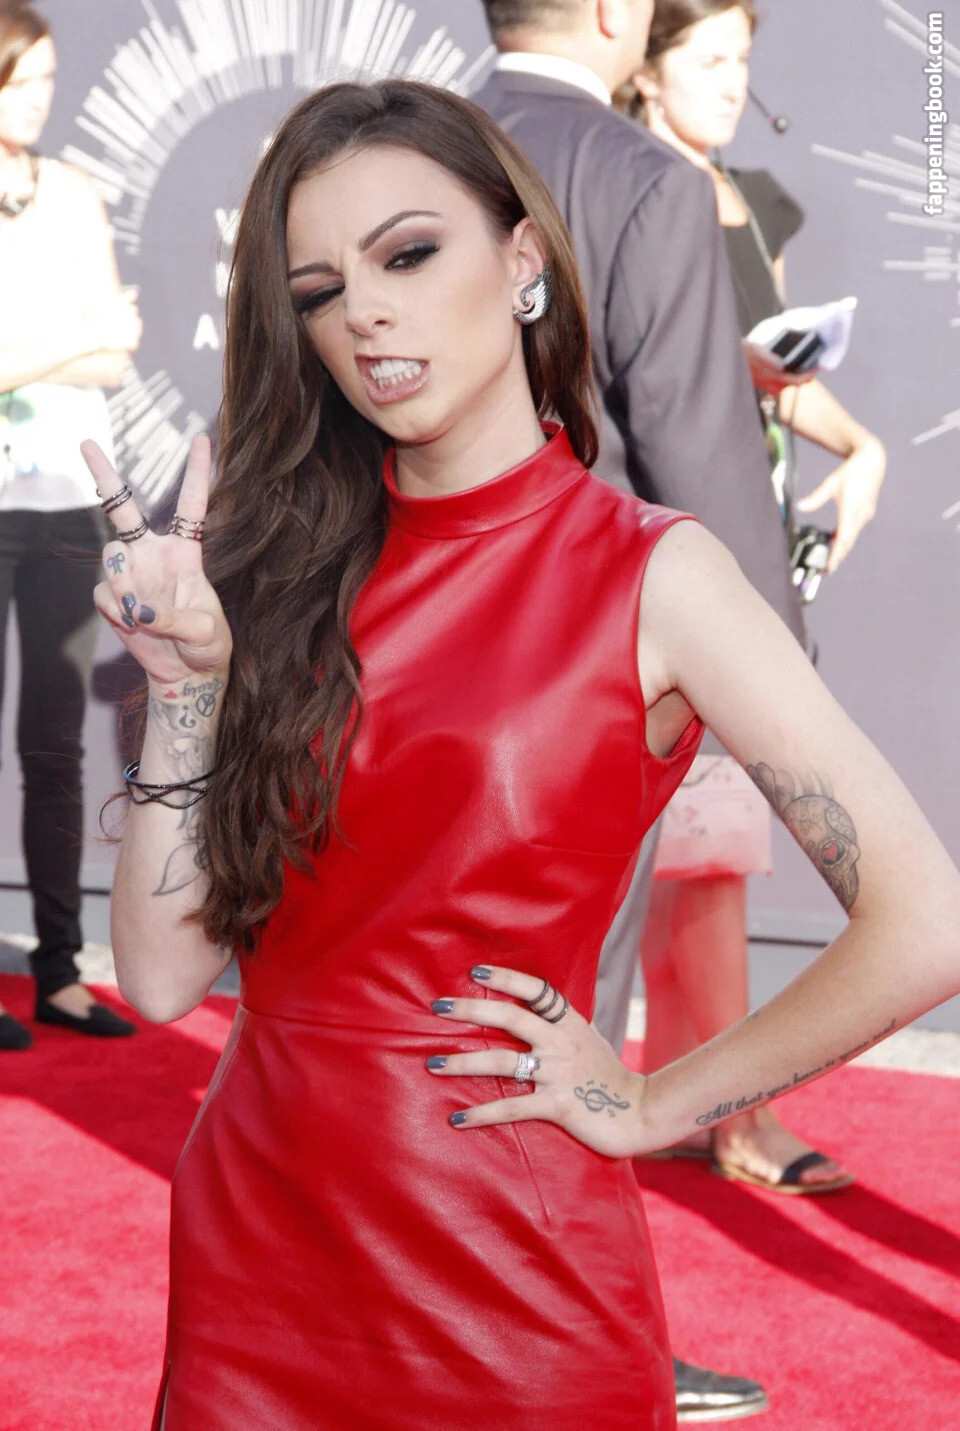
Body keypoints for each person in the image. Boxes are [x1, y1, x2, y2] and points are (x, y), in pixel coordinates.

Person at [81, 79, 960, 1431]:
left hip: (512, 1284)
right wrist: (187, 688)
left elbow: (926, 923)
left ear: (524, 260)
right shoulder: (277, 571)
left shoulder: (657, 576)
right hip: (255, 1268)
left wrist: (656, 1100)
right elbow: (158, 975)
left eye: (409, 254)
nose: (365, 313)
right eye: (319, 290)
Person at [471, 0, 798, 1411]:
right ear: (612, 14)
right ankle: (561, 1353)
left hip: (370, 665)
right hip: (571, 683)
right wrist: (774, 685)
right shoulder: (642, 179)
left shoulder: (388, 150)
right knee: (562, 1026)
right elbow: (697, 452)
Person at [619, 0, 888, 1195]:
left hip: (744, 532)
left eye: (744, 60)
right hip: (666, 549)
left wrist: (861, 446)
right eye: (710, 58)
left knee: (706, 843)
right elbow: (648, 377)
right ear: (647, 69)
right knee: (705, 840)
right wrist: (720, 374)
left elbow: (779, 374)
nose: (733, 82)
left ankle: (687, 1094)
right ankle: (735, 1116)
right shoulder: (636, 192)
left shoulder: (745, 197)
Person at [0, 2, 142, 1050]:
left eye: (49, 80)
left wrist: (30, 344)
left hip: (63, 503)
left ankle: (58, 971)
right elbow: (85, 338)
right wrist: (67, 335)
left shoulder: (77, 195)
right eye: (22, 81)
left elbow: (118, 351)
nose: (40, 100)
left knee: (54, 750)